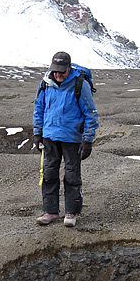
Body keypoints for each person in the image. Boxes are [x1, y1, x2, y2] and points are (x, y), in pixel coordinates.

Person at [33, 51, 99, 227]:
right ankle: (51, 211)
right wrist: (37, 133)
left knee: (72, 176)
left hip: (71, 138)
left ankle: (71, 212)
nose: (58, 74)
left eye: (62, 71)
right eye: (55, 70)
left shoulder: (80, 84)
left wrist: (87, 140)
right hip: (49, 137)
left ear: (69, 68)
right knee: (48, 174)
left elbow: (91, 114)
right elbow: (39, 108)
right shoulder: (46, 83)